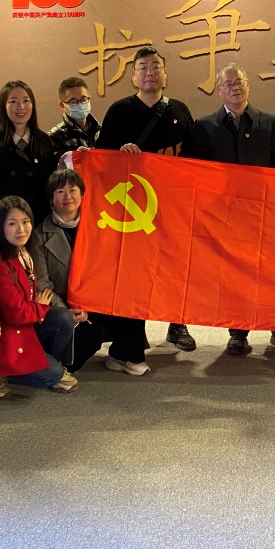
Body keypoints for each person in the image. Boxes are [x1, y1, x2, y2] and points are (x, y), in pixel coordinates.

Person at [183, 63, 275, 356]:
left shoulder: (269, 122)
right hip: (224, 215)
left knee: (273, 272)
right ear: (218, 90)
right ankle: (238, 331)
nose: (235, 88)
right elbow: (194, 171)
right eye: (228, 84)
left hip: (264, 212)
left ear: (248, 85)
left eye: (239, 82)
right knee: (234, 275)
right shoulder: (204, 126)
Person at [97, 45, 197, 352]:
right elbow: (101, 159)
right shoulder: (119, 111)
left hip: (172, 204)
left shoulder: (180, 110)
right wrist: (121, 155)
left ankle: (178, 324)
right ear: (133, 76)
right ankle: (134, 329)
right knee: (136, 269)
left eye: (155, 67)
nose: (150, 73)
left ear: (165, 74)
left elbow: (194, 160)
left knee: (176, 265)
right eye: (143, 68)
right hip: (134, 207)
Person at [34, 169, 151, 375]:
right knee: (90, 335)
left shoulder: (100, 223)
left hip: (99, 297)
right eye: (60, 192)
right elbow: (42, 283)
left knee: (131, 300)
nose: (68, 196)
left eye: (73, 190)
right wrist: (65, 309)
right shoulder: (39, 235)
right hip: (67, 305)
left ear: (82, 195)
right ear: (51, 200)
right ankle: (59, 365)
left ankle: (123, 355)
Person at [0, 195, 78, 392]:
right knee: (54, 375)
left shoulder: (23, 252)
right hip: (7, 335)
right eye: (12, 224)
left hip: (26, 324)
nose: (21, 229)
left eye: (25, 222)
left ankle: (41, 363)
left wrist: (38, 306)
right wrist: (39, 306)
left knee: (63, 317)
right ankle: (1, 371)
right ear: (0, 227)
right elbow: (15, 315)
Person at [0, 80, 57, 244]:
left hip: (38, 221)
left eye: (26, 100)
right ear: (3, 106)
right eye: (13, 101)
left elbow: (51, 186)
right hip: (4, 224)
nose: (21, 107)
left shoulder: (44, 141)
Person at [49, 76, 100, 153]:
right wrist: (76, 156)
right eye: (73, 102)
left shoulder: (101, 131)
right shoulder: (55, 136)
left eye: (83, 99)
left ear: (89, 99)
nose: (80, 105)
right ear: (62, 105)